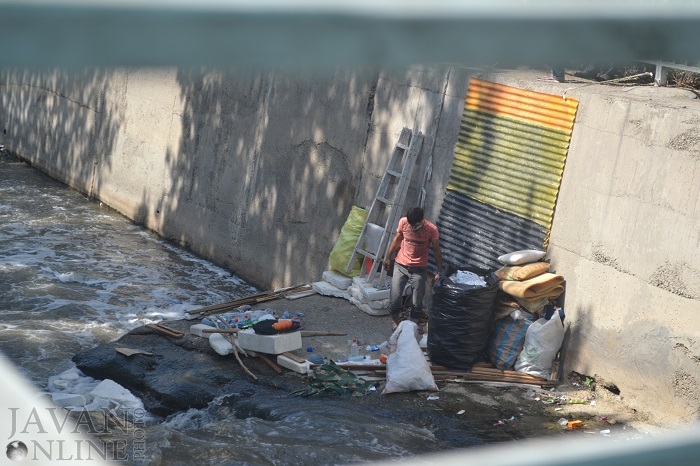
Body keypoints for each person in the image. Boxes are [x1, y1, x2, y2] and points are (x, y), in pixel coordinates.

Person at [383, 207, 443, 331]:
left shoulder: (432, 229)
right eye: (410, 225)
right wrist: (388, 257)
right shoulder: (404, 222)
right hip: (400, 266)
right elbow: (397, 240)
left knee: (417, 302)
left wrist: (439, 271)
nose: (412, 227)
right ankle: (395, 322)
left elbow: (437, 250)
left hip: (419, 269)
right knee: (395, 298)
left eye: (415, 225)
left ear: (422, 220)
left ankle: (412, 325)